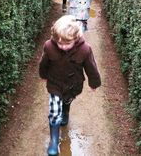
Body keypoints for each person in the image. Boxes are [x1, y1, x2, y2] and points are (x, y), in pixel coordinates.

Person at [39, 15, 101, 156]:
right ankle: (54, 141)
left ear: (76, 37)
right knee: (54, 112)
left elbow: (91, 67)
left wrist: (94, 82)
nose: (63, 47)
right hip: (55, 82)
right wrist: (43, 74)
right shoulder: (49, 46)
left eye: (67, 44)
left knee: (67, 100)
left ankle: (66, 111)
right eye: (59, 43)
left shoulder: (85, 49)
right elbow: (44, 63)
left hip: (73, 84)